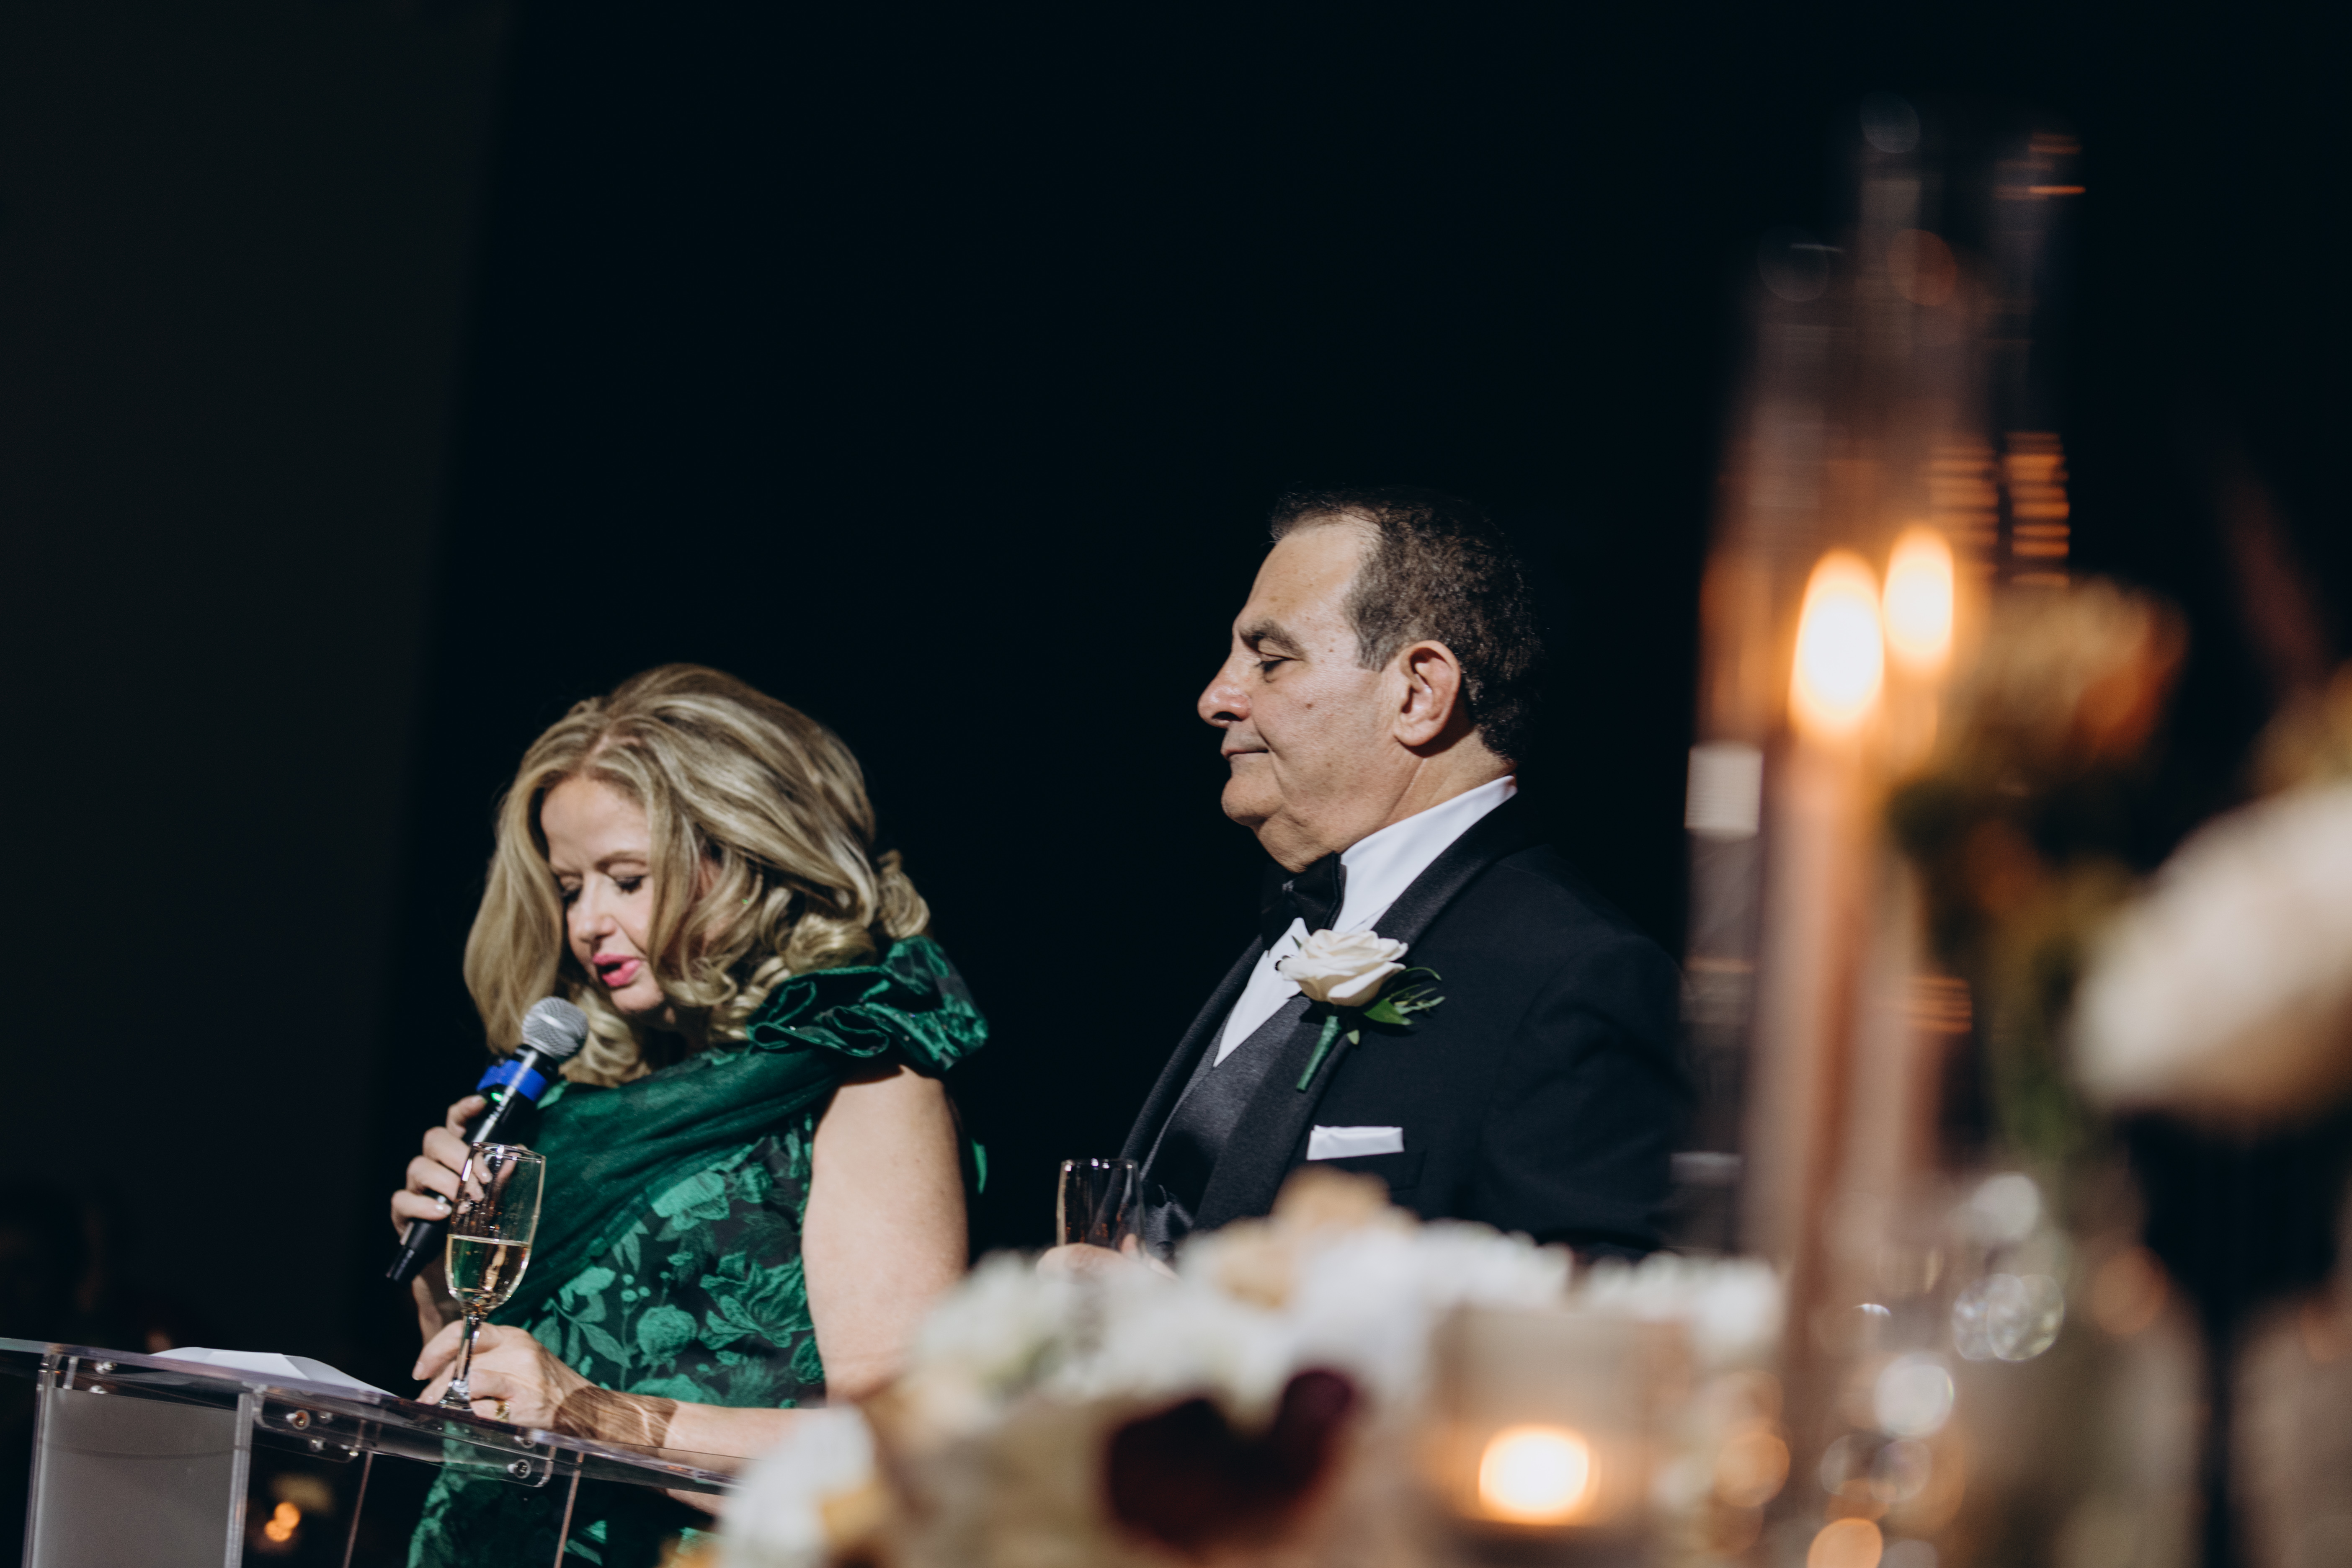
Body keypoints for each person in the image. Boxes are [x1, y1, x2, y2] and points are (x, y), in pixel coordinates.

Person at [390, 665, 985, 1568]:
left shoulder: (866, 1078)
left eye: (625, 879)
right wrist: (441, 1275)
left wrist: (595, 1417)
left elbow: (898, 1445)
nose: (587, 923)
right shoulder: (585, 1098)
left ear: (745, 856)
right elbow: (495, 1388)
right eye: (570, 887)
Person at [1100, 487, 1687, 1261]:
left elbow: (1598, 1310)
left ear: (1418, 694)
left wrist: (1201, 1318)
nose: (1216, 698)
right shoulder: (1297, 919)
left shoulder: (1579, 976)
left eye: (1270, 661)